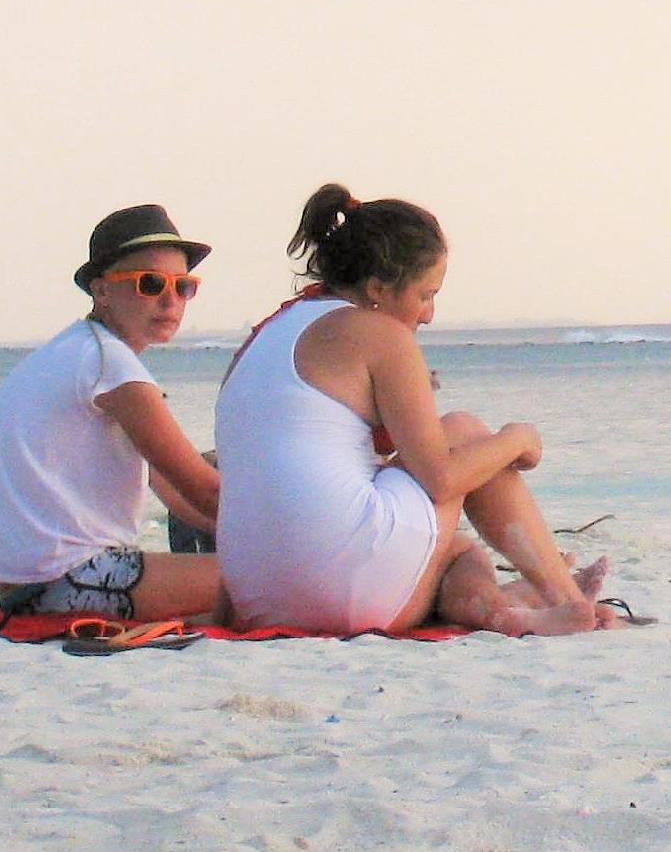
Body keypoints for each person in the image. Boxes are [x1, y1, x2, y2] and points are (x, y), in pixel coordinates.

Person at [216, 183, 622, 636]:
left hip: (258, 597)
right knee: (465, 431)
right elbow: (441, 478)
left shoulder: (266, 335)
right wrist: (516, 438)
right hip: (345, 590)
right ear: (376, 289)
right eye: (425, 295)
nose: (429, 315)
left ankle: (513, 610)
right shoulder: (381, 333)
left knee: (458, 551)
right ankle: (567, 600)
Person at [0, 204, 223, 621]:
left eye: (183, 286)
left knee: (260, 575)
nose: (170, 300)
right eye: (150, 283)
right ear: (101, 290)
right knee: (282, 581)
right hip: (69, 580)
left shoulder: (77, 350)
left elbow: (172, 489)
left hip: (27, 584)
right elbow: (206, 491)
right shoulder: (107, 363)